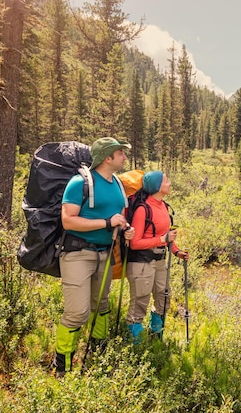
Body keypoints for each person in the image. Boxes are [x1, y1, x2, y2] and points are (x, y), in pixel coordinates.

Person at [52, 137, 135, 375]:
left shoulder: (118, 185)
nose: (124, 157)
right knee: (78, 312)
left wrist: (125, 228)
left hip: (105, 254)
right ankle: (62, 366)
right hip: (78, 253)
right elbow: (68, 220)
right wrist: (106, 223)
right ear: (107, 157)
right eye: (120, 153)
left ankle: (98, 351)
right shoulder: (79, 183)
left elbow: (119, 216)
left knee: (101, 305)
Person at [126, 170, 188, 342]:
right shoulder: (142, 209)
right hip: (142, 262)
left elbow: (167, 234)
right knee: (140, 301)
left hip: (160, 261)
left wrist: (176, 251)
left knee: (163, 298)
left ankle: (156, 338)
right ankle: (135, 347)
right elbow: (134, 243)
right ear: (157, 186)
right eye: (166, 181)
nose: (169, 184)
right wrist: (162, 239)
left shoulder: (164, 206)